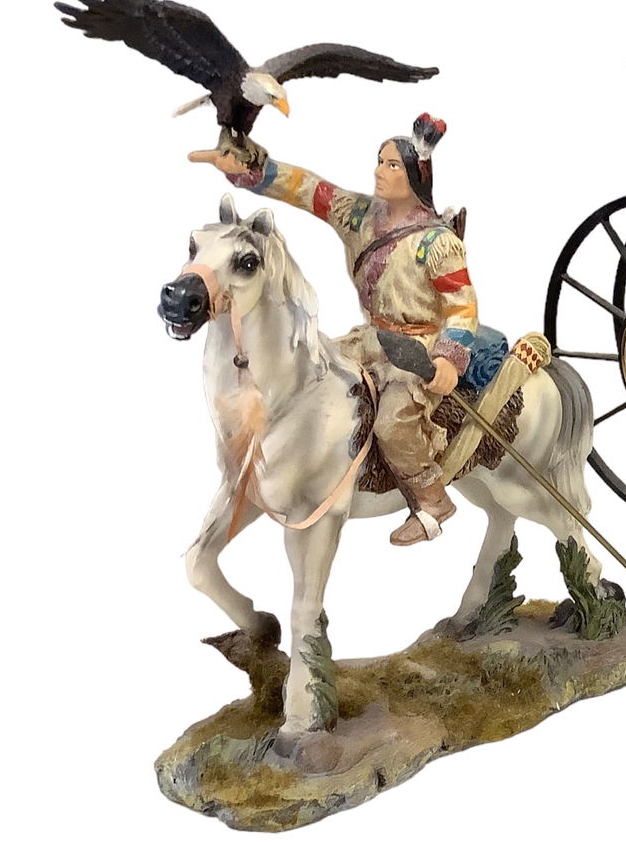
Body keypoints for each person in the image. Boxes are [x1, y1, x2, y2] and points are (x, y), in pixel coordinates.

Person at [191, 114, 477, 545]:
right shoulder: (359, 215)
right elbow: (307, 189)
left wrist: (447, 361)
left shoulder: (439, 244)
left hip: (418, 349)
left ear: (415, 175)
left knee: (393, 422)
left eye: (392, 165)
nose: (379, 172)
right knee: (310, 372)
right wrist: (253, 168)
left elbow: (462, 308)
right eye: (379, 161)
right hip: (371, 337)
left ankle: (432, 499)